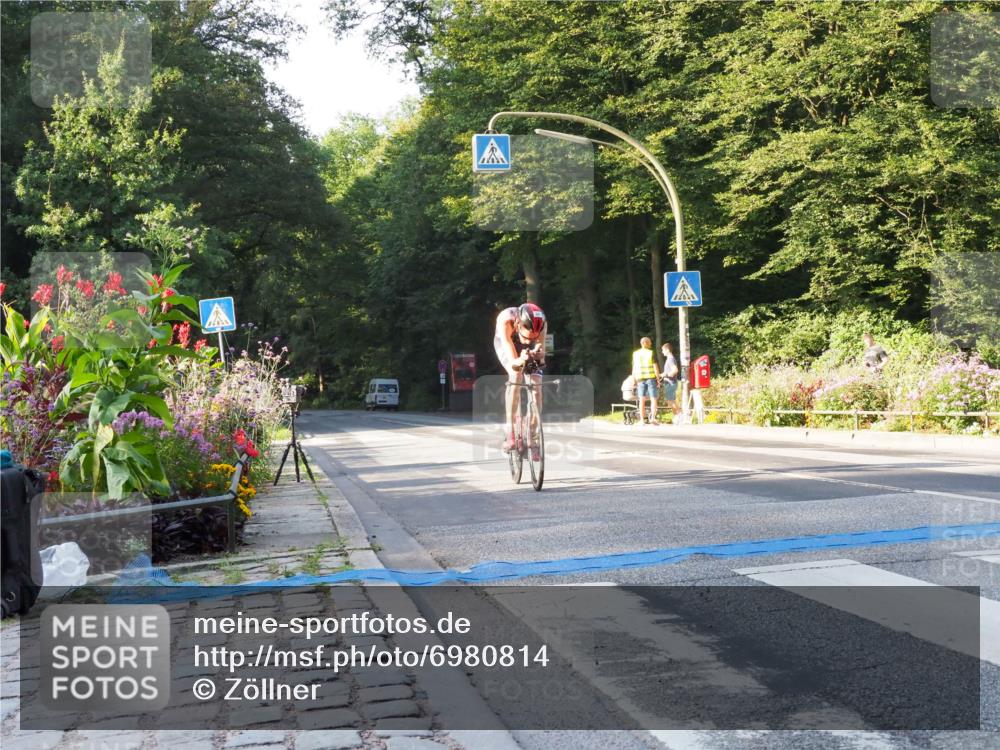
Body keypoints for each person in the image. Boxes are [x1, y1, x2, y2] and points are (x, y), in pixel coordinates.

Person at [494, 303, 547, 454]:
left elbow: (542, 358)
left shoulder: (541, 323)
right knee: (515, 376)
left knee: (537, 388)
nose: (527, 341)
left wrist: (539, 355)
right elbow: (513, 362)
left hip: (528, 351)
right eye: (526, 337)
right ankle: (510, 431)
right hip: (507, 344)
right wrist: (521, 360)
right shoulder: (506, 322)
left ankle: (532, 433)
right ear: (518, 324)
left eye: (532, 338)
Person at [631, 337, 661, 425]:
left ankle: (642, 420)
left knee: (641, 399)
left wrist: (634, 380)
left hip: (640, 379)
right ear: (645, 343)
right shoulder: (650, 353)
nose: (651, 344)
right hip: (651, 378)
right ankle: (653, 418)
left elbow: (634, 368)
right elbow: (655, 367)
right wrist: (658, 379)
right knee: (653, 398)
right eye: (649, 343)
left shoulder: (635, 354)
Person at [660, 342, 680, 415]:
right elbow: (669, 371)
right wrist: (662, 375)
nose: (662, 352)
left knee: (670, 401)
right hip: (670, 383)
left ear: (667, 350)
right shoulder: (670, 359)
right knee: (672, 401)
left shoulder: (670, 359)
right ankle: (677, 416)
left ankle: (679, 415)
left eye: (663, 350)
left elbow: (675, 370)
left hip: (671, 383)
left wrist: (666, 375)